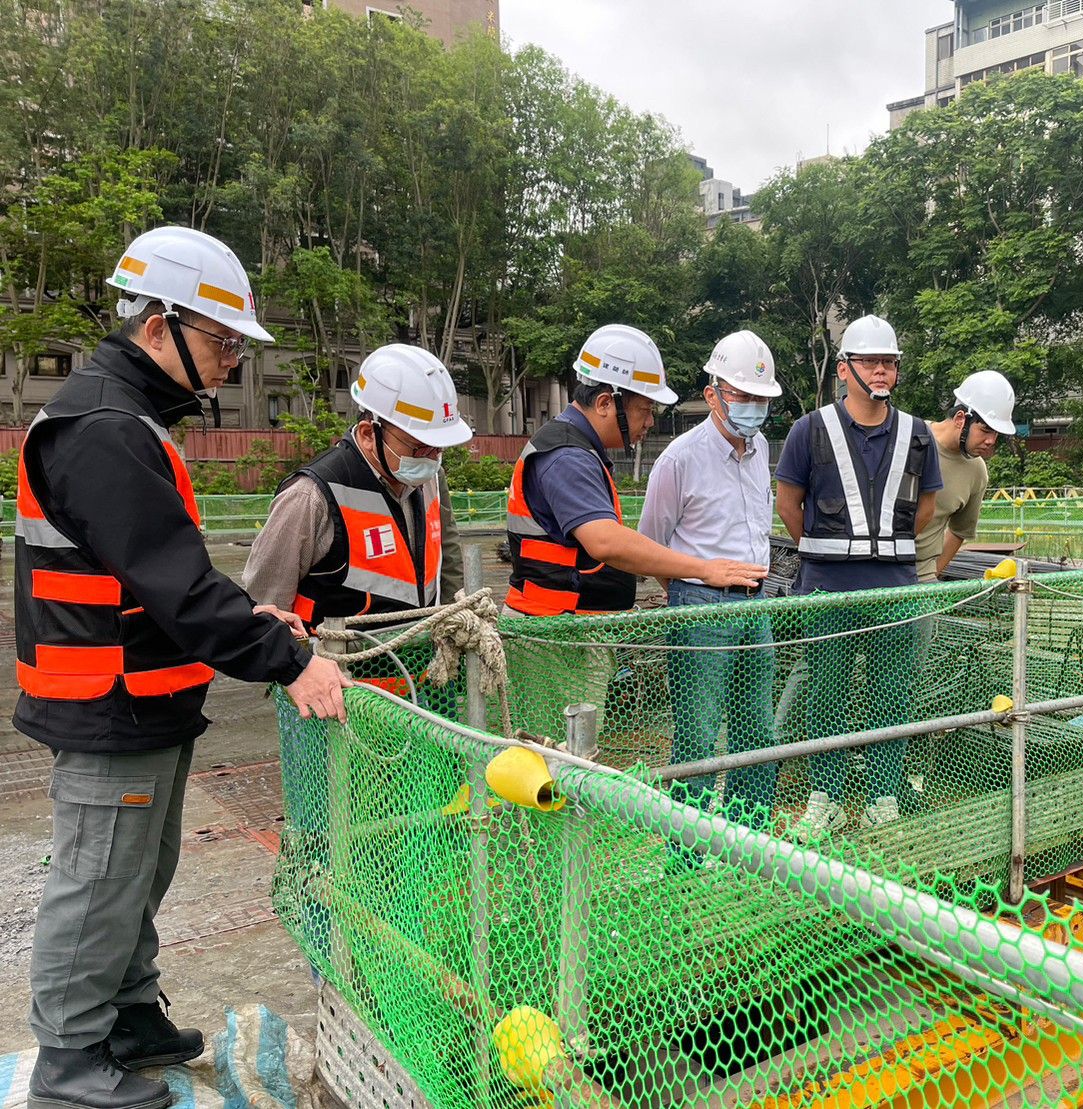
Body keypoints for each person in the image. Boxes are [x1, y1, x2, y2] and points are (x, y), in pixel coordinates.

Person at [14, 226, 349, 1109]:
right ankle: (69, 1060)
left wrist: (253, 615)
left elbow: (165, 577)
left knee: (140, 868)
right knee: (97, 882)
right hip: (106, 699)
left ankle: (125, 1016)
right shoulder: (103, 428)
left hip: (143, 695)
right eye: (223, 341)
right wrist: (288, 659)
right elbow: (176, 585)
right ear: (159, 325)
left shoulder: (128, 421)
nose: (232, 362)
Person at [502, 324, 766, 743]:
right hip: (552, 633)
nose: (648, 423)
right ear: (607, 403)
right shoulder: (567, 455)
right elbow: (606, 542)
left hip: (570, 629)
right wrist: (703, 570)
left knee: (569, 757)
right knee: (553, 761)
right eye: (645, 410)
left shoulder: (580, 450)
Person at [775, 314, 942, 833]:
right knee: (826, 694)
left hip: (895, 589)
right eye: (870, 361)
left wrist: (881, 552)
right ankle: (823, 796)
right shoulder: (809, 429)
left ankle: (882, 797)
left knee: (893, 696)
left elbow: (927, 511)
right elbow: (788, 504)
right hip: (827, 588)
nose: (881, 371)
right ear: (844, 369)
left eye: (889, 363)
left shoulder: (918, 434)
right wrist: (833, 551)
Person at [637, 331, 781, 835]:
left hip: (756, 602)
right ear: (714, 391)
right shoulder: (680, 458)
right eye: (743, 395)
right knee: (697, 735)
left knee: (757, 730)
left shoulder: (761, 448)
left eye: (761, 398)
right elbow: (652, 544)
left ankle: (751, 840)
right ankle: (688, 854)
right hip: (700, 607)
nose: (754, 407)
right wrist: (692, 587)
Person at [243, 343, 471, 635]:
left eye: (439, 447)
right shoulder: (311, 496)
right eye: (419, 446)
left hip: (419, 667)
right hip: (341, 673)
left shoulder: (430, 479)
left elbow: (448, 557)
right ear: (368, 434)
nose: (432, 458)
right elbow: (266, 604)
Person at [915, 371, 1016, 582]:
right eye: (986, 430)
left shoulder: (976, 471)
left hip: (921, 581)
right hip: (878, 570)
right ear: (961, 418)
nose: (991, 441)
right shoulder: (910, 437)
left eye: (996, 433)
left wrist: (930, 576)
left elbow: (960, 531)